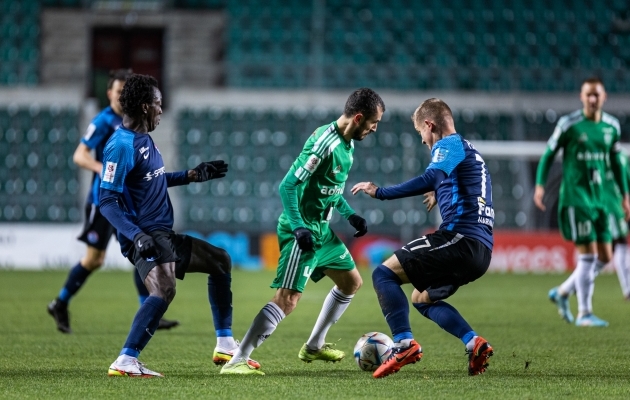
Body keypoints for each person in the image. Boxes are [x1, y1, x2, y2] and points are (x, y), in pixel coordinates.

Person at [99, 74, 254, 378]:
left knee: (220, 260)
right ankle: (126, 360)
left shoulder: (144, 138)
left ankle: (224, 344)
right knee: (164, 289)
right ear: (145, 107)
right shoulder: (121, 145)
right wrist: (136, 235)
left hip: (160, 232)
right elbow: (107, 200)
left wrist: (190, 175)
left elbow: (151, 179)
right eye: (158, 104)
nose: (161, 109)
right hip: (144, 233)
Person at [220, 88, 383, 375]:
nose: (374, 129)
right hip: (303, 231)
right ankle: (237, 360)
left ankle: (314, 346)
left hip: (322, 230)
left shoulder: (348, 145)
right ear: (358, 118)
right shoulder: (325, 144)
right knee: (287, 299)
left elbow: (330, 190)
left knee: (351, 282)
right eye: (374, 123)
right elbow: (287, 186)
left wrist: (350, 215)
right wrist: (298, 227)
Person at [351, 98, 494, 378]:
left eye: (421, 134)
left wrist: (380, 192)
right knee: (422, 298)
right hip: (482, 250)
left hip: (459, 239)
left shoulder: (449, 144)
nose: (423, 141)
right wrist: (439, 190)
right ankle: (473, 343)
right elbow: (462, 184)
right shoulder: (472, 152)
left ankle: (403, 344)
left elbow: (432, 176)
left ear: (430, 125)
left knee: (383, 274)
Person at [47, 69, 178, 334]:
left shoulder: (136, 126)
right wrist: (106, 169)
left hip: (128, 200)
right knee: (95, 260)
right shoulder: (104, 122)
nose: (120, 97)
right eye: (117, 92)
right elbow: (79, 155)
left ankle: (150, 307)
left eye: (124, 92)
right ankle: (60, 302)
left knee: (142, 249)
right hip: (104, 200)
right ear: (109, 93)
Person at [535, 77, 630, 327]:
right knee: (587, 255)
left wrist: (625, 195)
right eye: (588, 94)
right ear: (581, 96)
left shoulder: (612, 127)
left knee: (606, 256)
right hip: (577, 199)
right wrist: (540, 185)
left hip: (601, 200)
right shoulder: (569, 125)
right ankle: (584, 313)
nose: (592, 99)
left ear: (604, 96)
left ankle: (564, 291)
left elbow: (617, 164)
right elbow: (548, 154)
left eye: (596, 94)